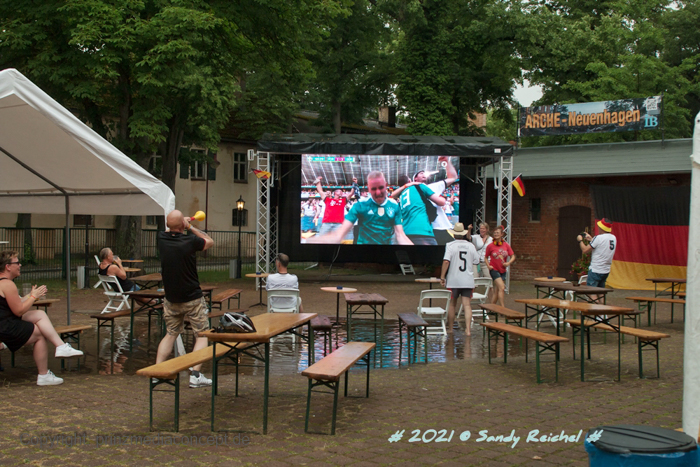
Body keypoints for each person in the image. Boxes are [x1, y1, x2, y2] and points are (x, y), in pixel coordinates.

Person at [0, 251, 83, 386]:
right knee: (39, 333)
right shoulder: (8, 284)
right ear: (8, 267)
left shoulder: (3, 283)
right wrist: (33, 297)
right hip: (5, 327)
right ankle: (44, 375)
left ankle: (61, 346)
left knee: (39, 315)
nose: (20, 265)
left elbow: (14, 303)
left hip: (4, 322)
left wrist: (31, 295)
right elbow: (19, 310)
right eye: (17, 262)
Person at [155, 209, 214, 388]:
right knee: (202, 334)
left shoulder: (161, 239)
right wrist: (190, 226)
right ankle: (195, 375)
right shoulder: (189, 240)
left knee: (171, 333)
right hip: (192, 298)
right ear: (182, 225)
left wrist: (180, 223)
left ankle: (157, 372)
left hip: (171, 298)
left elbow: (169, 229)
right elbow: (210, 242)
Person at [314, 171, 413, 245]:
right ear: (369, 189)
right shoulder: (358, 205)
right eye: (374, 189)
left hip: (338, 223)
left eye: (381, 187)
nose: (378, 192)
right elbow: (339, 235)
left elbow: (400, 235)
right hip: (328, 223)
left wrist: (354, 184)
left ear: (386, 186)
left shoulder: (394, 205)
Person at [392, 156, 459, 244]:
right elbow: (453, 177)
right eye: (421, 173)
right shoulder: (427, 186)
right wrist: (446, 161)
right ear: (414, 179)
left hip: (413, 230)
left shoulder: (404, 193)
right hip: (433, 228)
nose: (424, 174)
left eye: (424, 173)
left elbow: (392, 195)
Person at [440, 224, 479, 335]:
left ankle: (451, 328)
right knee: (467, 305)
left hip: (454, 280)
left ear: (454, 234)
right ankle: (468, 330)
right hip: (467, 279)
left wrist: (442, 277)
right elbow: (476, 261)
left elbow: (446, 261)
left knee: (452, 304)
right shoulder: (470, 245)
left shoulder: (450, 245)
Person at [394, 174, 446, 245]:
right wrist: (444, 198)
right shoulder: (419, 186)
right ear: (410, 180)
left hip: (405, 234)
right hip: (422, 231)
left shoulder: (401, 195)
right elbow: (441, 202)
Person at [578, 218, 617, 302]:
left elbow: (585, 250)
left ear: (602, 228)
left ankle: (596, 312)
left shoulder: (598, 238)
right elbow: (602, 245)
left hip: (595, 270)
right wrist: (591, 240)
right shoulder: (613, 238)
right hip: (605, 270)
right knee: (601, 292)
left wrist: (580, 240)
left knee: (592, 292)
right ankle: (602, 314)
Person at [485, 226, 516, 307]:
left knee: (497, 290)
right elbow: (485, 257)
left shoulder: (506, 245)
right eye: (495, 233)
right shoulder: (490, 246)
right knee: (502, 287)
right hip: (494, 269)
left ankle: (491, 307)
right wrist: (488, 266)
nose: (496, 234)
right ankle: (502, 308)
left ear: (502, 234)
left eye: (498, 233)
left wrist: (508, 263)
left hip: (502, 270)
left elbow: (513, 256)